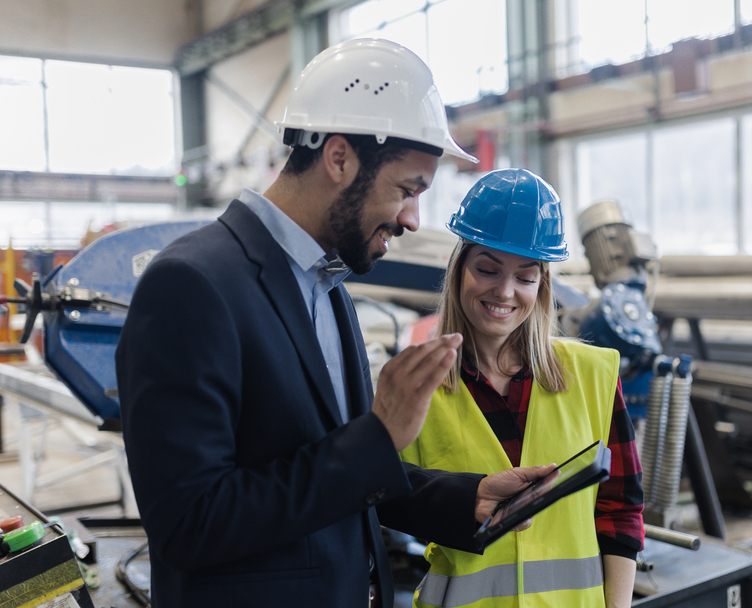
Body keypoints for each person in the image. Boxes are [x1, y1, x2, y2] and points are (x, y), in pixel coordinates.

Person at [115, 40, 554, 608]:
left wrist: (463, 498)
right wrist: (379, 435)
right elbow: (190, 523)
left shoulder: (328, 287)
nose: (413, 220)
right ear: (340, 158)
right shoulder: (193, 286)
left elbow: (340, 473)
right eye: (407, 190)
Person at [399, 169, 645, 608]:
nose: (505, 292)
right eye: (488, 269)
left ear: (543, 284)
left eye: (525, 277)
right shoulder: (415, 384)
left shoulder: (593, 375)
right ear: (459, 271)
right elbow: (389, 499)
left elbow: (620, 508)